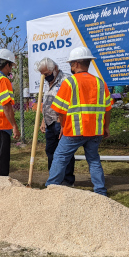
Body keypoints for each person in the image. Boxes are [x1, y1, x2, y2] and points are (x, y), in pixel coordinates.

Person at [45, 46, 112, 196]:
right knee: (93, 159)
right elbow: (108, 109)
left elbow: (59, 110)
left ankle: (51, 188)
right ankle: (100, 191)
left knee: (60, 157)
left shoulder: (70, 82)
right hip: (95, 131)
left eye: (70, 64)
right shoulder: (100, 83)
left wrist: (63, 126)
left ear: (75, 64)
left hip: (74, 130)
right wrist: (105, 127)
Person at [37, 57, 75, 186]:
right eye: (42, 74)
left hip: (62, 122)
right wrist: (43, 120)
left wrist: (62, 121)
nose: (44, 77)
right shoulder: (46, 82)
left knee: (64, 153)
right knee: (50, 151)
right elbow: (47, 103)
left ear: (56, 69)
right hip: (49, 123)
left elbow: (71, 103)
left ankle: (67, 180)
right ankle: (54, 179)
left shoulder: (67, 80)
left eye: (47, 74)